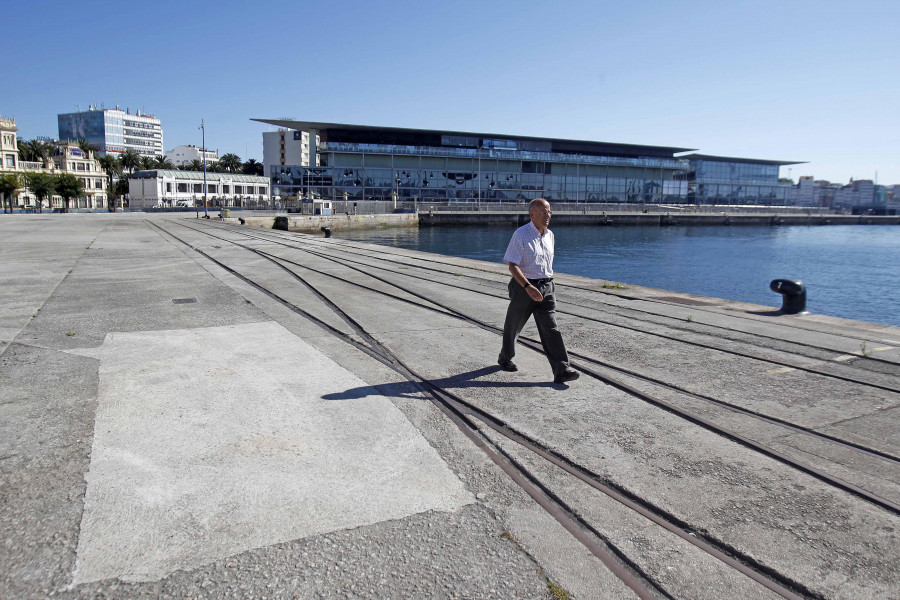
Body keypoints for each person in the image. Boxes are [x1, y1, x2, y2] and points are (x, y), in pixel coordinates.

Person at [498, 198, 579, 384]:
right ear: (532, 214)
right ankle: (505, 356)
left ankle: (561, 370)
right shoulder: (521, 234)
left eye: (549, 212)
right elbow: (512, 265)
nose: (547, 215)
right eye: (543, 212)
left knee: (551, 328)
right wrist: (527, 286)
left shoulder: (550, 235)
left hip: (546, 287)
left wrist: (548, 284)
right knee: (514, 325)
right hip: (523, 287)